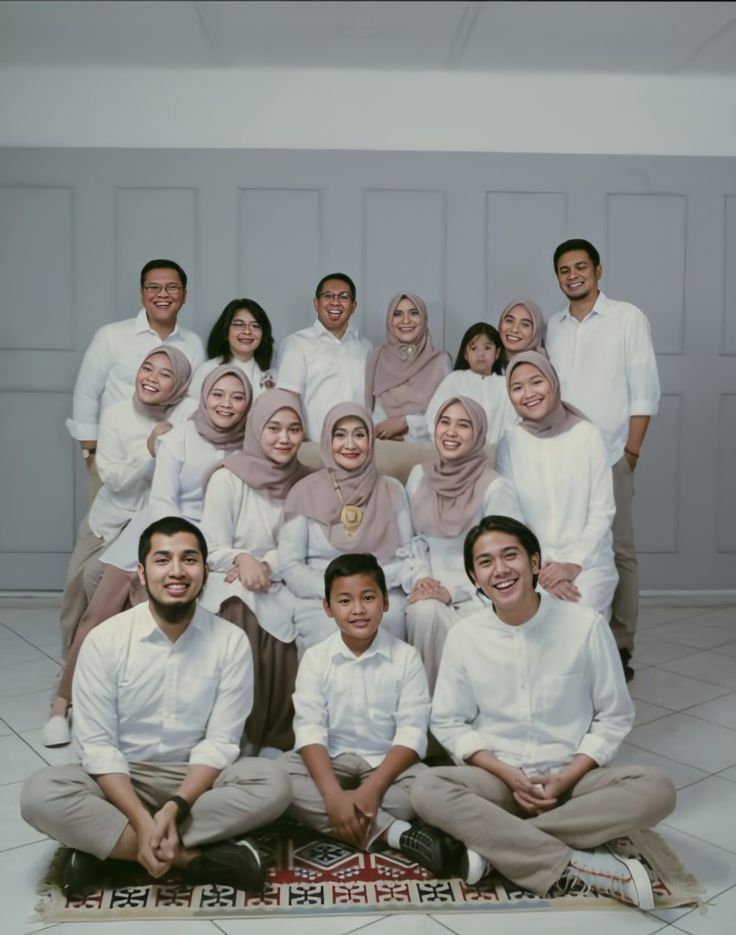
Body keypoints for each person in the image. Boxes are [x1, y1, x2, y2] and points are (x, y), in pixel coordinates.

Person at [411, 515, 677, 909]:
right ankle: (578, 865)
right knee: (426, 789)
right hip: (498, 781)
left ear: (535, 563)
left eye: (510, 556)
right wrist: (506, 774)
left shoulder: (585, 626)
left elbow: (614, 716)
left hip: (570, 784)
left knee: (658, 790)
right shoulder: (465, 636)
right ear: (474, 577)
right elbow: (449, 721)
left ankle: (497, 847)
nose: (499, 570)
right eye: (485, 562)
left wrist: (566, 776)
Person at [22, 516, 291, 897]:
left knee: (275, 783)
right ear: (141, 573)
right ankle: (192, 860)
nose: (176, 571)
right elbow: (98, 748)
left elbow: (221, 742)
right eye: (162, 560)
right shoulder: (105, 640)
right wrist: (143, 821)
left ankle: (109, 851)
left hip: (197, 782)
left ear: (205, 571)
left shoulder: (230, 641)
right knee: (39, 794)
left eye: (189, 559)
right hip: (122, 779)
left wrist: (172, 809)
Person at [43, 346, 194, 747]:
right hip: (111, 521)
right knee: (84, 600)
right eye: (147, 367)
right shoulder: (115, 415)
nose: (152, 377)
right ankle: (62, 701)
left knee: (145, 606)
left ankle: (129, 700)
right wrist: (149, 451)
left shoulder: (185, 416)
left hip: (157, 524)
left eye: (165, 374)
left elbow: (224, 406)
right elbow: (112, 481)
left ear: (178, 386)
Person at [283, 552, 460, 875]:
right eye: (345, 601)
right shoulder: (316, 658)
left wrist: (372, 789)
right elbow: (309, 730)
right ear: (328, 608)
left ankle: (336, 818)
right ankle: (396, 834)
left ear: (385, 602)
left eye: (368, 598)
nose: (358, 610)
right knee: (278, 781)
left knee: (427, 790)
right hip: (331, 762)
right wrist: (333, 795)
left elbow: (411, 732)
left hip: (386, 764)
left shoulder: (405, 658)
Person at [545, 238, 660, 680]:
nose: (572, 275)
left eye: (580, 267)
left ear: (598, 271)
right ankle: (574, 631)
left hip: (611, 453)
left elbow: (644, 391)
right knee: (568, 540)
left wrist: (630, 453)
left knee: (619, 549)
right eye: (563, 270)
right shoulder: (552, 326)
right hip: (560, 455)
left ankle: (620, 645)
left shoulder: (626, 318)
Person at [200, 388, 313, 754]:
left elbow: (311, 544)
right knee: (239, 603)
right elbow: (212, 547)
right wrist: (242, 559)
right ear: (256, 429)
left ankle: (275, 733)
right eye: (273, 428)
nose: (284, 438)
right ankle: (240, 734)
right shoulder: (227, 478)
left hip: (288, 573)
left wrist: (267, 564)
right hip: (231, 575)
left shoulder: (310, 482)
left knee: (291, 611)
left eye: (294, 429)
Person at [280, 402, 415, 654]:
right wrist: (340, 594)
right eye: (340, 435)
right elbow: (290, 564)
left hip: (380, 592)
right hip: (320, 597)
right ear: (327, 441)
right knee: (329, 633)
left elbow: (408, 554)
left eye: (359, 435)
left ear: (371, 441)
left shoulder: (393, 489)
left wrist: (368, 592)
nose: (350, 444)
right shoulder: (303, 491)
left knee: (392, 620)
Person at [405, 397, 521, 689]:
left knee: (440, 616)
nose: (451, 432)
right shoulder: (419, 476)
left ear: (478, 433)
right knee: (423, 609)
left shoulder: (494, 486)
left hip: (477, 595)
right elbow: (410, 541)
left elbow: (506, 561)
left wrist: (453, 593)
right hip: (428, 584)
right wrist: (423, 581)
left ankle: (456, 713)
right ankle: (427, 712)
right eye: (445, 422)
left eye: (463, 424)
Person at [496, 352, 617, 618]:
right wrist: (541, 567)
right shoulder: (510, 441)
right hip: (534, 564)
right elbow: (511, 515)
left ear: (553, 383)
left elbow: (602, 512)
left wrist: (572, 564)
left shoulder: (587, 435)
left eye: (536, 382)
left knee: (576, 616)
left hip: (589, 563)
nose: (528, 393)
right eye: (517, 388)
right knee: (528, 618)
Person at [66, 259, 204, 477]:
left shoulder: (193, 342)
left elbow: (194, 401)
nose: (163, 294)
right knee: (107, 511)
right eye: (153, 287)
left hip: (171, 460)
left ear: (184, 295)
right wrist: (89, 454)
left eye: (172, 287)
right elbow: (86, 394)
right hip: (118, 460)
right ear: (142, 293)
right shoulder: (111, 336)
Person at [276, 273, 372, 441]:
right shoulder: (296, 344)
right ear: (316, 303)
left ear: (354, 305)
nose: (335, 302)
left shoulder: (366, 347)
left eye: (344, 297)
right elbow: (286, 403)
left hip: (359, 447)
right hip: (313, 448)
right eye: (328, 296)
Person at [365, 292, 449, 443]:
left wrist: (406, 423)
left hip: (426, 452)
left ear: (424, 318)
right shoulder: (376, 357)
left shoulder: (440, 361)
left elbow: (447, 416)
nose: (406, 320)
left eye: (414, 313)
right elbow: (368, 411)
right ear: (389, 320)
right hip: (382, 451)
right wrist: (384, 431)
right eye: (397, 314)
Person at [425, 322, 514, 446]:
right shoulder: (454, 379)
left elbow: (512, 425)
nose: (480, 354)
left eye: (487, 348)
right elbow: (432, 418)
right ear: (465, 354)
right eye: (474, 348)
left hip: (493, 456)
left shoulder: (505, 385)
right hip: (453, 452)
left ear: (497, 353)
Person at [188, 298, 275, 401]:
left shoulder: (272, 374)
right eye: (239, 324)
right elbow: (192, 410)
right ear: (225, 331)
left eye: (255, 326)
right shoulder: (208, 370)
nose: (247, 331)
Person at [497, 299, 546, 371]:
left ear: (536, 332)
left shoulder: (542, 369)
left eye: (525, 325)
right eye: (509, 321)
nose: (514, 329)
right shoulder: (484, 359)